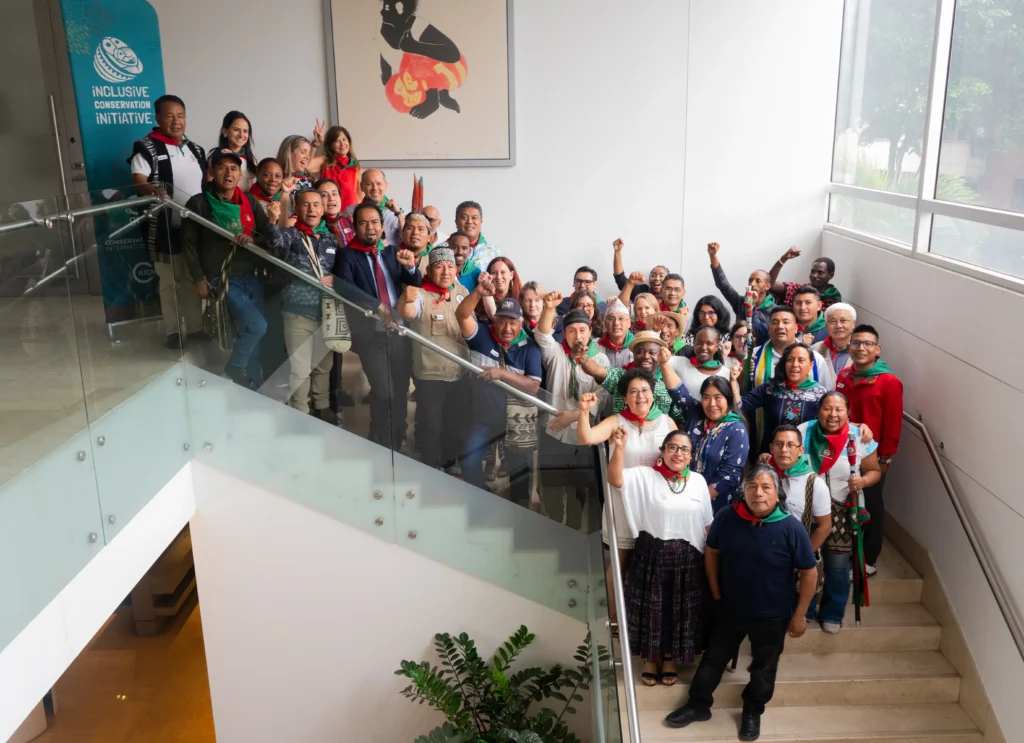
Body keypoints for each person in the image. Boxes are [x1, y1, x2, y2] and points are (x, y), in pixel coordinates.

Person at [666, 465, 818, 741]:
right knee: (713, 660)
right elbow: (712, 552)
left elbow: (810, 572)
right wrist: (714, 590)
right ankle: (698, 705)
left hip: (772, 615)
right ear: (743, 491)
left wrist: (800, 614)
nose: (758, 493)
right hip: (730, 608)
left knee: (764, 667)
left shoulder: (791, 527)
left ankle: (752, 711)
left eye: (765, 487)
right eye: (752, 487)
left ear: (776, 493)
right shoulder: (727, 517)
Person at [608, 428, 713, 686]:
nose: (678, 453)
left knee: (678, 613)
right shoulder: (645, 476)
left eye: (684, 449)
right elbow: (615, 479)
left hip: (688, 562)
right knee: (652, 611)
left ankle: (669, 658)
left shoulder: (698, 481)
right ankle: (650, 659)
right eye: (673, 447)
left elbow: (707, 524)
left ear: (691, 456)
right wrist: (619, 447)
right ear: (663, 451)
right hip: (652, 556)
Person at [576, 373, 676, 625]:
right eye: (633, 392)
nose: (640, 396)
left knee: (652, 559)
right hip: (622, 500)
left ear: (653, 394)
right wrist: (583, 411)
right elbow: (586, 438)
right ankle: (615, 615)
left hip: (656, 503)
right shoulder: (616, 421)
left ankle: (645, 615)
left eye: (644, 390)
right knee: (620, 560)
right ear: (624, 398)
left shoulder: (667, 423)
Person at [334, 201, 422, 448]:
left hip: (400, 334)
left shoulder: (392, 253)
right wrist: (376, 305)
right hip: (372, 336)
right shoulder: (347, 255)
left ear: (383, 227)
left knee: (400, 389)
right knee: (384, 392)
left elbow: (414, 283)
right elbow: (345, 288)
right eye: (363, 223)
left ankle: (392, 436)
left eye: (374, 222)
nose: (370, 228)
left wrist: (411, 266)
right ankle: (383, 439)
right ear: (355, 227)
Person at [181, 151, 270, 387]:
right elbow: (188, 245)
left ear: (240, 174)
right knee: (257, 325)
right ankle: (235, 366)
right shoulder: (199, 203)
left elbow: (267, 237)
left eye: (233, 168)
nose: (228, 173)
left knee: (254, 332)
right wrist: (198, 278)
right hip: (221, 278)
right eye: (222, 168)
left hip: (250, 277)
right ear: (211, 172)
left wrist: (252, 241)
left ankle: (251, 382)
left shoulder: (249, 202)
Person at [797, 394, 881, 633]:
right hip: (806, 510)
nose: (832, 415)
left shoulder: (860, 437)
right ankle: (805, 610)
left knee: (837, 565)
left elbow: (875, 471)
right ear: (818, 410)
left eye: (838, 410)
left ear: (848, 413)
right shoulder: (803, 431)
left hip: (842, 511)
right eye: (827, 408)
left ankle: (833, 613)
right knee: (807, 561)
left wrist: (863, 481)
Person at [456, 274, 542, 504]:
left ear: (520, 323)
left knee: (519, 469)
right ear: (495, 320)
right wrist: (478, 293)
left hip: (514, 423)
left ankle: (519, 509)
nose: (507, 327)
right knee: (469, 460)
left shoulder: (530, 348)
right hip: (482, 419)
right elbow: (462, 315)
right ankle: (482, 497)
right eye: (502, 321)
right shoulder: (482, 337)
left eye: (513, 322)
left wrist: (501, 374)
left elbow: (534, 387)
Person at [129, 94, 206, 349]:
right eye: (170, 115)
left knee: (192, 278)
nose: (176, 121)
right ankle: (174, 331)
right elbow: (139, 180)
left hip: (195, 229)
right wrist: (154, 191)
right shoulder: (146, 146)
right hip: (165, 227)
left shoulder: (195, 149)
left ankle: (196, 328)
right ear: (158, 118)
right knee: (169, 281)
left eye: (181, 115)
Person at [264, 189, 339, 421]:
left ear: (323, 208)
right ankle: (300, 411)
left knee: (324, 366)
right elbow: (276, 240)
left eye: (316, 204)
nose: (312, 209)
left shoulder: (331, 239)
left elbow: (342, 270)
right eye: (305, 205)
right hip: (297, 313)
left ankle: (323, 406)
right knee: (300, 368)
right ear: (297, 209)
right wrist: (273, 221)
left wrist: (337, 279)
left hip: (327, 314)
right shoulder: (293, 237)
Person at [835, 325, 903, 574]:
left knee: (870, 506)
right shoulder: (843, 375)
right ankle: (847, 551)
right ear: (849, 346)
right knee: (845, 501)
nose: (861, 348)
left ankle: (869, 560)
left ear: (877, 349)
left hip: (872, 457)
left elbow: (893, 423)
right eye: (856, 343)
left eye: (867, 344)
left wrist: (885, 457)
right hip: (842, 453)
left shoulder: (889, 382)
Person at [396, 247, 469, 471]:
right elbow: (407, 312)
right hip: (430, 376)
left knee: (454, 424)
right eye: (439, 266)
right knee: (431, 426)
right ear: (429, 270)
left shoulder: (461, 290)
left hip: (461, 373)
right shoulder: (420, 294)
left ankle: (449, 462)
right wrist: (405, 300)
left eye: (450, 266)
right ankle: (431, 466)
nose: (446, 271)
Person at [661, 357, 749, 514]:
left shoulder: (736, 430)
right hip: (682, 496)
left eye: (718, 397)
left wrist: (697, 500)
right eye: (706, 397)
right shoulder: (696, 414)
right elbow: (677, 390)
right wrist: (663, 363)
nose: (712, 403)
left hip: (715, 505)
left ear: (728, 400)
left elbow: (729, 474)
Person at [535, 294, 609, 443]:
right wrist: (549, 309)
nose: (578, 336)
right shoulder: (555, 352)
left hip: (585, 433)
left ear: (590, 331)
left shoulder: (601, 359)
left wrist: (574, 415)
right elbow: (543, 336)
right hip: (553, 430)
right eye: (572, 331)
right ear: (564, 333)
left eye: (582, 330)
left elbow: (601, 398)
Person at [735, 342, 827, 455]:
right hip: (770, 456)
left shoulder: (820, 394)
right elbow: (739, 406)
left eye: (801, 360)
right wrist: (733, 380)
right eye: (790, 360)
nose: (795, 364)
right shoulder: (771, 389)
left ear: (811, 365)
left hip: (804, 459)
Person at [577, 331, 683, 424]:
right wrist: (582, 357)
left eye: (652, 353)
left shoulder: (668, 381)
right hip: (622, 438)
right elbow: (595, 370)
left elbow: (679, 417)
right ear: (633, 354)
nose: (646, 356)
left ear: (659, 355)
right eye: (640, 352)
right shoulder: (620, 376)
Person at [707, 241, 773, 346]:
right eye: (750, 280)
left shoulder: (774, 310)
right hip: (739, 354)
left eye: (757, 281)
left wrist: (751, 308)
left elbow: (761, 334)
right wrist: (713, 255)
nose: (752, 284)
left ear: (767, 286)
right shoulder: (741, 302)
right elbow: (723, 285)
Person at [749, 305, 830, 390]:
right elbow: (743, 391)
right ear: (769, 329)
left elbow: (827, 392)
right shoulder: (753, 355)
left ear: (795, 328)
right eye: (775, 322)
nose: (780, 326)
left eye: (786, 322)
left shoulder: (815, 359)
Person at [344, 168, 404, 247]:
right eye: (369, 184)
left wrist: (399, 214)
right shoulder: (350, 211)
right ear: (361, 186)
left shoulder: (400, 212)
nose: (375, 188)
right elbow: (345, 241)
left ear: (386, 185)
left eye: (379, 184)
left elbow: (407, 242)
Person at [668, 325, 731, 399]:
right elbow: (656, 359)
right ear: (693, 343)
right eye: (699, 343)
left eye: (709, 343)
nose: (703, 347)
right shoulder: (679, 363)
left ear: (717, 347)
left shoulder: (727, 374)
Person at [768, 247, 842, 309]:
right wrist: (783, 259)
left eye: (820, 273)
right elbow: (769, 284)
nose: (814, 275)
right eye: (812, 271)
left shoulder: (833, 302)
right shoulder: (797, 289)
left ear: (831, 275)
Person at [311, 125, 362, 210]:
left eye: (344, 139)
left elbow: (359, 196)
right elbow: (305, 165)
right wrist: (316, 143)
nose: (342, 144)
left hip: (348, 216)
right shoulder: (325, 161)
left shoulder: (355, 166)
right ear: (331, 145)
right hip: (328, 213)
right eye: (337, 141)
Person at [811, 302, 856, 391]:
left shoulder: (863, 350)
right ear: (826, 326)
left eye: (843, 321)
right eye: (833, 321)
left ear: (853, 324)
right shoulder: (815, 349)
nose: (838, 326)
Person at [213, 111, 258, 190]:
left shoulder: (253, 159)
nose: (241, 135)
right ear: (225, 131)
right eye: (236, 130)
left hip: (248, 202)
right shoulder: (216, 158)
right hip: (224, 202)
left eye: (245, 131)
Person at [455, 200, 499, 268]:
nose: (469, 222)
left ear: (481, 223)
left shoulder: (493, 252)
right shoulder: (443, 249)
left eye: (474, 218)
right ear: (456, 222)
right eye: (464, 217)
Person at [477, 256, 522, 323]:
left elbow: (495, 318)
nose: (498, 277)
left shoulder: (521, 298)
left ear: (511, 275)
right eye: (494, 273)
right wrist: (485, 286)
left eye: (503, 272)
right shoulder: (480, 299)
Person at [597, 299, 634, 367]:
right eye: (611, 319)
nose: (616, 323)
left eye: (621, 318)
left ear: (629, 323)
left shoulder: (638, 345)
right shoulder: (595, 346)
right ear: (605, 324)